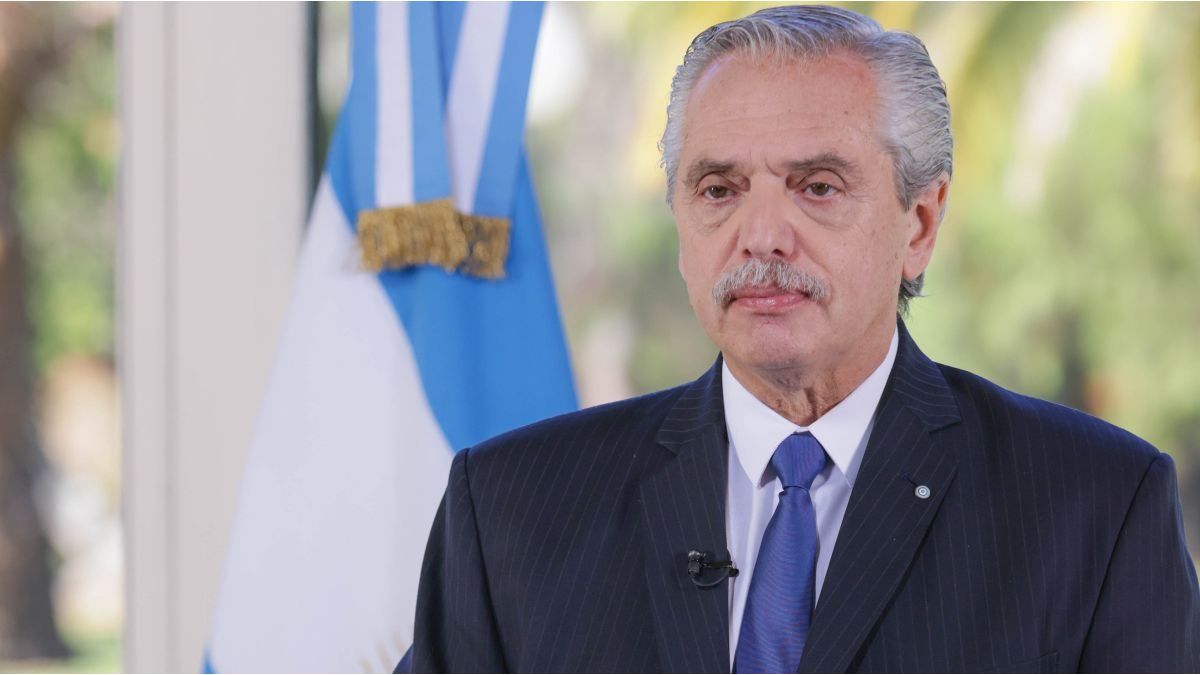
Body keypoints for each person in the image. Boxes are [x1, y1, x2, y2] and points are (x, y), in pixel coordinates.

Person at [407, 5, 1200, 673]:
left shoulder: (1096, 507)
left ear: (920, 224)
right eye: (718, 189)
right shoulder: (510, 510)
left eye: (817, 186)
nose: (761, 236)